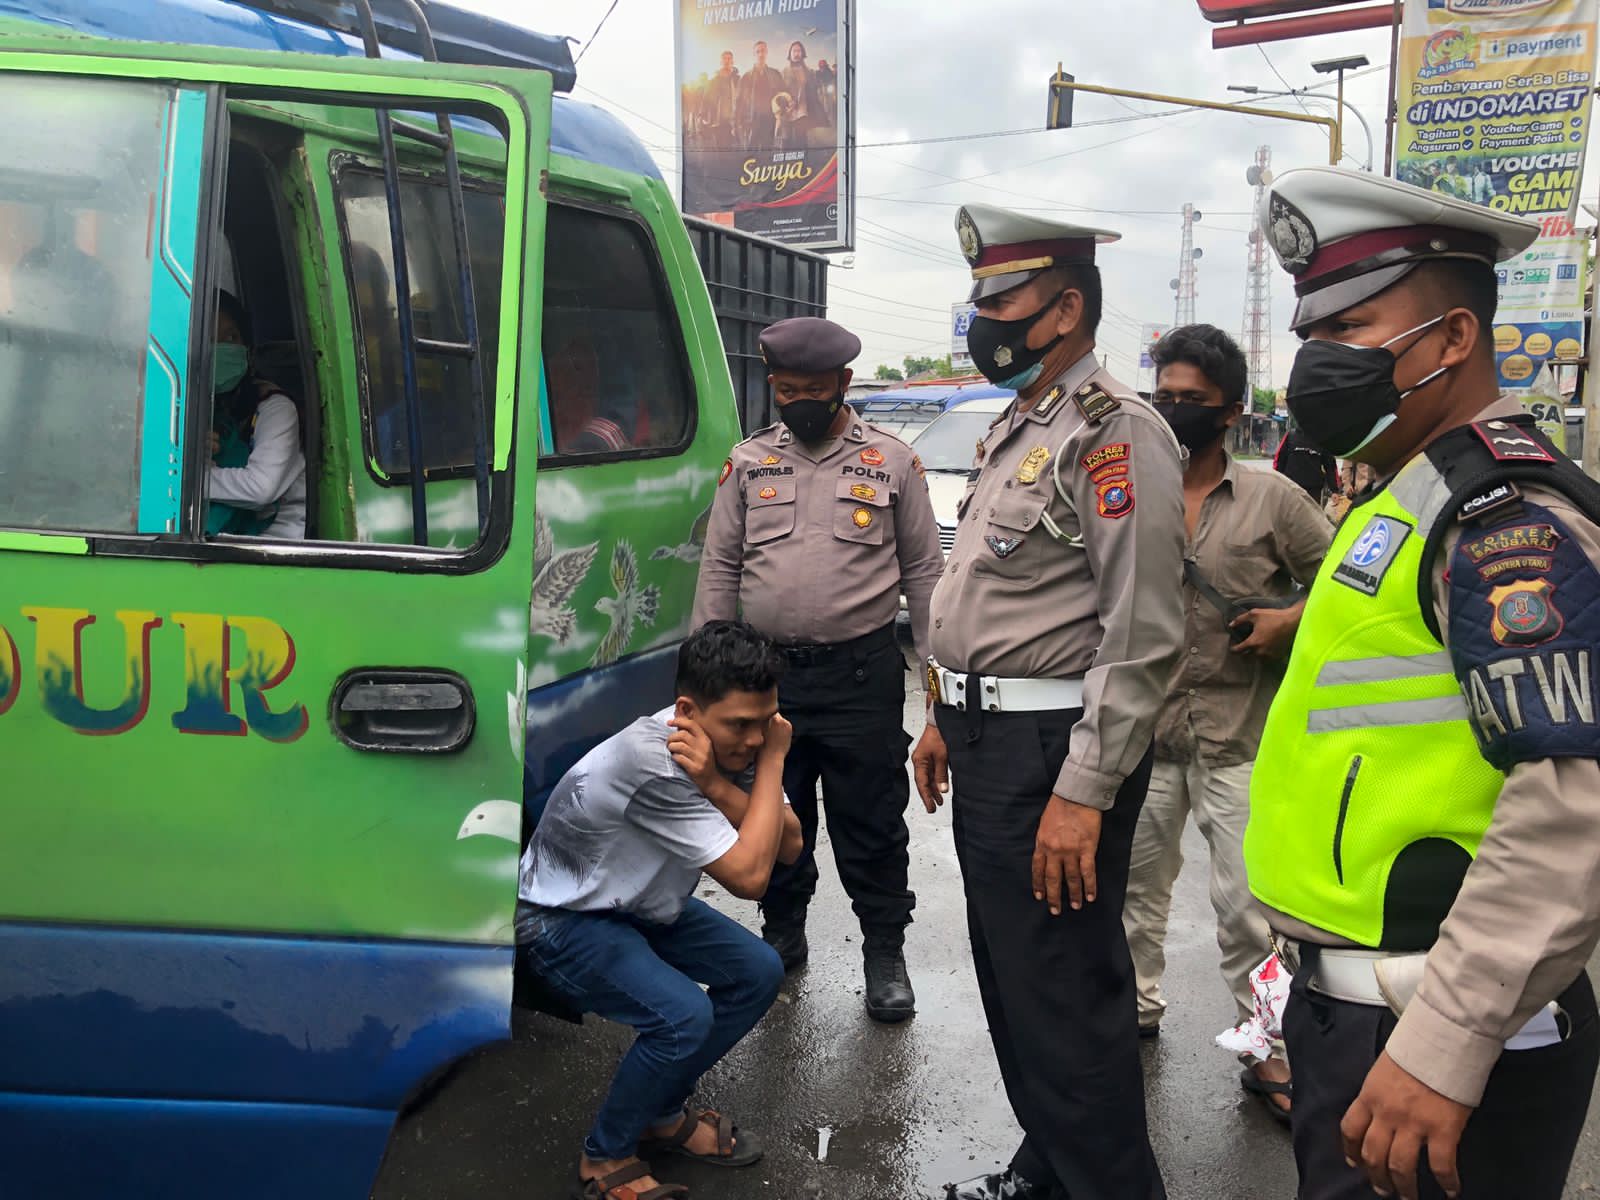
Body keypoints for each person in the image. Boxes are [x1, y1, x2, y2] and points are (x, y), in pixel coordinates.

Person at [1245, 166, 1600, 1200]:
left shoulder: (1504, 519)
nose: (1319, 361)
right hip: (1364, 1013)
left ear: (1450, 339)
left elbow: (1573, 800)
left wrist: (1443, 1042)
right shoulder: (1405, 493)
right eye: (1313, 333)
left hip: (1433, 1030)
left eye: (1352, 327)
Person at [913, 203, 1185, 1200]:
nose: (981, 319)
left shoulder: (1118, 437)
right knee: (1017, 987)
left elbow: (1143, 632)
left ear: (1065, 308)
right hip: (990, 738)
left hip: (1049, 754)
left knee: (1066, 1000)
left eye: (1000, 300)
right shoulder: (1020, 427)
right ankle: (1050, 1171)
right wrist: (944, 712)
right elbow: (983, 597)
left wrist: (1084, 789)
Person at [692, 316, 943, 1024]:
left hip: (862, 676)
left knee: (872, 824)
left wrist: (937, 685)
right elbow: (720, 568)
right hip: (770, 682)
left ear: (843, 385)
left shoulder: (891, 461)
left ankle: (884, 951)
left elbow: (924, 572)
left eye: (813, 388)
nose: (799, 400)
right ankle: (782, 933)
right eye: (786, 388)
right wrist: (704, 682)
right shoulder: (747, 463)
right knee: (774, 811)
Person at [1121, 323, 1333, 1127]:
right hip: (1143, 738)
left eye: (1193, 401)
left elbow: (1348, 588)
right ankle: (1134, 1012)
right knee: (1135, 895)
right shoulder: (1128, 497)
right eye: (1164, 397)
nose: (1175, 411)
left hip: (1241, 740)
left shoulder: (1276, 500)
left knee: (1249, 910)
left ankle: (1267, 1044)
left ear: (1232, 411)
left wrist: (1288, 621)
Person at [516, 620, 803, 1200]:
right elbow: (752, 875)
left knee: (757, 973)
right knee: (681, 1017)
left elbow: (791, 845)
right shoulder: (659, 762)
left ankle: (661, 1112)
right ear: (687, 710)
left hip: (637, 904)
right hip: (562, 918)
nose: (754, 739)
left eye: (765, 723)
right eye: (740, 726)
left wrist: (723, 786)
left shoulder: (726, 748)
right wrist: (771, 765)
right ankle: (605, 1157)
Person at [207, 291, 307, 538]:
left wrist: (188, 476)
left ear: (248, 349)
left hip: (276, 540)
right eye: (210, 338)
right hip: (224, 535)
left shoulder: (275, 407)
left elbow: (261, 488)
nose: (222, 346)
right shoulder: (192, 403)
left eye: (231, 337)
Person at [1274, 422, 1340, 506]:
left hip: (1313, 492)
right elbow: (1279, 461)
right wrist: (1276, 483)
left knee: (1311, 518)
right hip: (1291, 488)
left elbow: (1330, 466)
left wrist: (1334, 490)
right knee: (1290, 517)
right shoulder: (1290, 435)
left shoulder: (1322, 439)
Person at [736, 40, 784, 152]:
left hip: (770, 120)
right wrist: (736, 123)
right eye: (758, 52)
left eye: (763, 51)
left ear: (767, 52)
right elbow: (739, 101)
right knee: (750, 154)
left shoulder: (775, 74)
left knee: (767, 153)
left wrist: (782, 111)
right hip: (751, 121)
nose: (760, 54)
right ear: (754, 54)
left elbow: (783, 93)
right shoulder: (746, 76)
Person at [700, 51, 739, 152]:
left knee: (736, 152)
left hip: (735, 121)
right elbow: (706, 99)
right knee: (722, 151)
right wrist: (703, 115)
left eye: (729, 58)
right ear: (721, 62)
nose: (727, 61)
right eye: (724, 59)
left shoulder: (737, 79)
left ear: (733, 61)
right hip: (719, 122)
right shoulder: (713, 81)